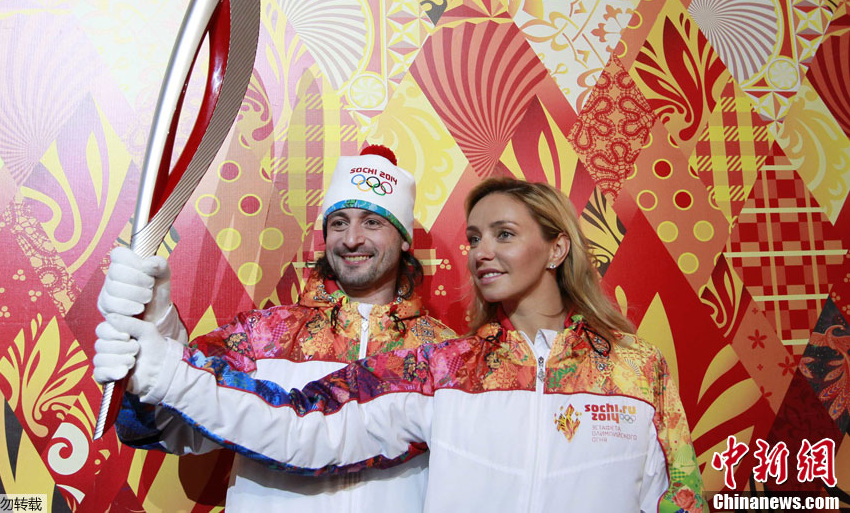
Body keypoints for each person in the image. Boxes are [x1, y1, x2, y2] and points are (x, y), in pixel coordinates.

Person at [100, 178, 706, 512]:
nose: (483, 251)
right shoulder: (441, 369)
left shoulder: (634, 369)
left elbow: (677, 492)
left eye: (503, 234)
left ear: (556, 248)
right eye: (474, 237)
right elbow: (299, 427)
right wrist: (161, 340)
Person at [93, 145, 456, 512]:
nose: (351, 239)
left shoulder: (446, 356)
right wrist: (153, 324)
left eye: (372, 222)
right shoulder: (261, 335)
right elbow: (163, 426)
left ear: (404, 237)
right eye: (339, 222)